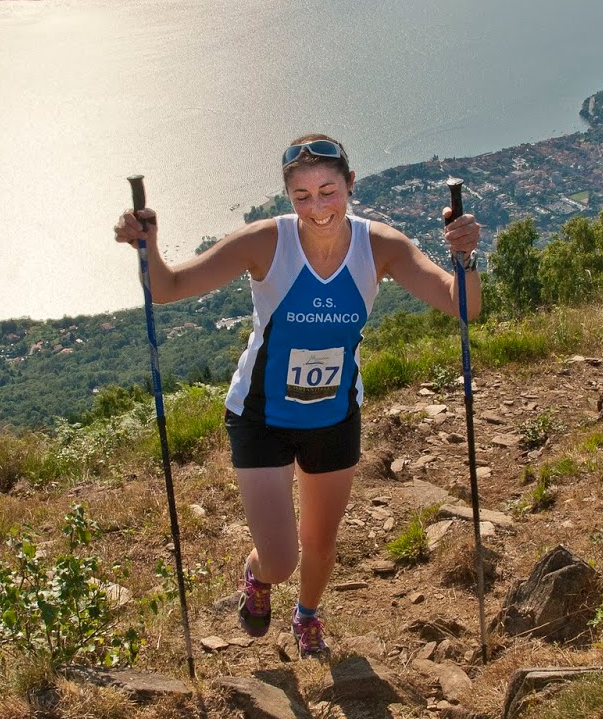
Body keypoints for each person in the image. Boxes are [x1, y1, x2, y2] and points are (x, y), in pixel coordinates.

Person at [113, 134, 483, 657]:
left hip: (333, 414)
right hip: (261, 415)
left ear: (350, 185)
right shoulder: (266, 242)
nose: (317, 208)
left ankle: (307, 615)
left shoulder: (381, 246)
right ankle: (259, 575)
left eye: (328, 191)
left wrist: (465, 258)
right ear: (288, 198)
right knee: (282, 558)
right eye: (302, 196)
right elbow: (168, 287)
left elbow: (463, 306)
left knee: (321, 544)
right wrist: (146, 245)